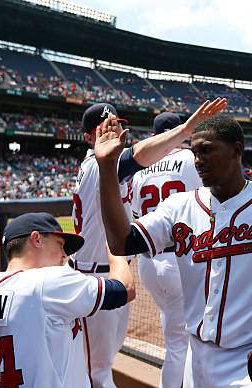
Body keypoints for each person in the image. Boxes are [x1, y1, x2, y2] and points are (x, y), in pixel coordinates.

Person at [96, 113, 252, 387]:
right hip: (197, 359)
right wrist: (108, 166)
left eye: (206, 150)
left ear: (236, 151)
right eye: (194, 152)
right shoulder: (178, 206)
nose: (197, 160)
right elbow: (122, 242)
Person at [71, 99, 226, 387]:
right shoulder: (97, 164)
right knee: (98, 371)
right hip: (94, 275)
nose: (112, 133)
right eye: (104, 129)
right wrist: (187, 129)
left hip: (125, 269)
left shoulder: (119, 168)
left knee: (106, 362)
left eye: (116, 126)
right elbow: (138, 154)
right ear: (89, 138)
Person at [0, 212, 135, 387]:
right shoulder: (47, 282)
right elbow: (124, 290)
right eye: (60, 245)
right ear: (36, 239)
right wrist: (116, 251)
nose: (64, 255)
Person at [131, 112, 202, 387]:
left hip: (149, 262)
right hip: (181, 260)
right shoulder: (190, 159)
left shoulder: (139, 169)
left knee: (174, 327)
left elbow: (137, 216)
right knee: (182, 343)